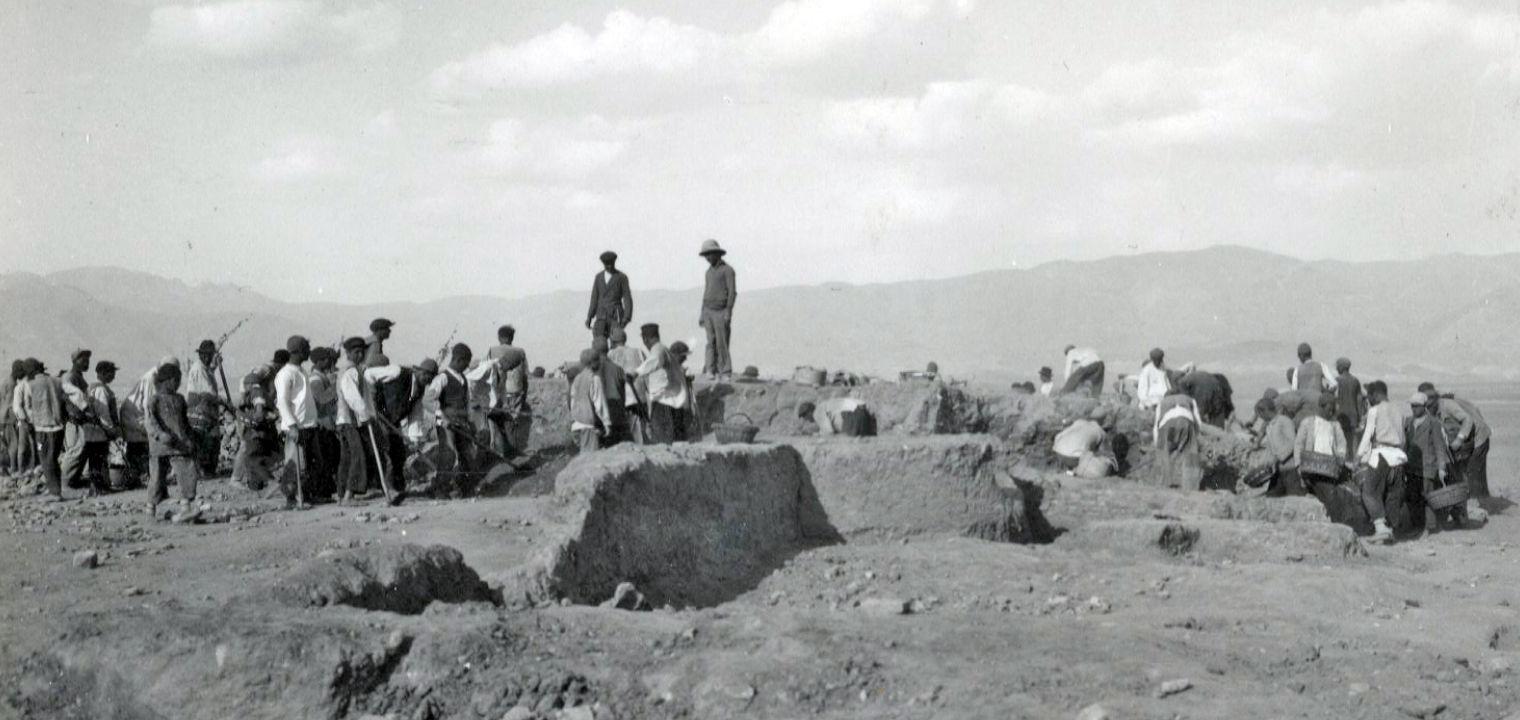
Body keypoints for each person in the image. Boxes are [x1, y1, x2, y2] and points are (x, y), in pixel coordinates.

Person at [145, 363, 200, 521]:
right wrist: (160, 435)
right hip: (160, 446)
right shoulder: (154, 400)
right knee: (156, 478)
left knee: (187, 472)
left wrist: (190, 438)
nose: (179, 384)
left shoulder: (180, 399)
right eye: (177, 380)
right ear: (167, 380)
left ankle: (186, 507)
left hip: (179, 444)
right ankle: (151, 508)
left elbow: (184, 422)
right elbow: (150, 422)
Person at [1419, 382, 1492, 499]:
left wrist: (1459, 439)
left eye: (1431, 400)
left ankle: (1477, 503)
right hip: (1468, 440)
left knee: (1473, 472)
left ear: (1436, 397)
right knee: (1462, 471)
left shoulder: (1447, 405)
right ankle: (1479, 499)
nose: (1429, 405)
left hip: (1479, 437)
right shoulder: (1430, 410)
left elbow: (1467, 419)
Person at [274, 336, 323, 506]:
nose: (309, 351)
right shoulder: (285, 374)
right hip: (296, 427)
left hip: (309, 424)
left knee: (310, 464)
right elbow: (282, 402)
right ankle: (292, 498)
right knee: (295, 464)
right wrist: (293, 426)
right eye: (306, 348)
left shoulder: (301, 372)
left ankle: (307, 495)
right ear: (298, 351)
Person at [1405, 391, 1461, 533]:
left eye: (1416, 406)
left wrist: (1441, 468)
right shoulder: (1408, 422)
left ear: (1424, 406)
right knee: (1412, 496)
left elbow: (1439, 447)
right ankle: (1416, 525)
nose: (1414, 409)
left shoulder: (1434, 423)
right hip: (1412, 467)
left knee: (1429, 497)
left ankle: (1429, 527)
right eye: (1412, 406)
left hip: (1428, 466)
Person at [1355, 381, 1403, 543]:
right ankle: (1391, 530)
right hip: (1398, 456)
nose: (1367, 398)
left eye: (1369, 395)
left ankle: (1381, 528)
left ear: (1375, 394)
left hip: (1381, 456)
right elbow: (1402, 438)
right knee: (1391, 495)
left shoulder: (1374, 411)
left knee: (1369, 492)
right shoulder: (1398, 410)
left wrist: (1358, 457)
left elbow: (1367, 435)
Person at [334, 338, 377, 503]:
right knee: (357, 455)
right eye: (356, 352)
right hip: (350, 420)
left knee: (347, 457)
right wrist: (365, 415)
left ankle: (342, 493)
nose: (360, 355)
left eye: (362, 352)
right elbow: (353, 398)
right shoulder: (350, 372)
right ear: (348, 353)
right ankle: (349, 494)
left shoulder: (356, 371)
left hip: (347, 420)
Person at [632, 324, 691, 443]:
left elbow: (655, 361)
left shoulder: (658, 349)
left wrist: (636, 373)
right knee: (675, 437)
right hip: (671, 400)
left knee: (662, 438)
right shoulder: (664, 349)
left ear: (645, 339)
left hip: (663, 401)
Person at [486, 325, 532, 460]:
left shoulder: (492, 350)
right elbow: (525, 376)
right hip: (516, 391)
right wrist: (525, 394)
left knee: (497, 422)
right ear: (512, 337)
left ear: (499, 337)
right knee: (512, 422)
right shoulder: (520, 352)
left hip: (498, 392)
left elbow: (488, 372)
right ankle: (512, 452)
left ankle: (501, 452)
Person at [1295, 392, 1349, 505]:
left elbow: (1342, 444)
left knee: (1329, 495)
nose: (1331, 412)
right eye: (1329, 409)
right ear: (1321, 407)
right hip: (1310, 466)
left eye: (1333, 409)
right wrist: (1298, 464)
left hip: (1329, 468)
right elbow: (1299, 444)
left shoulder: (1335, 425)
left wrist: (1340, 458)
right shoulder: (1308, 423)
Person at [435, 343, 478, 486]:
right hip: (447, 425)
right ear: (459, 360)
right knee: (449, 454)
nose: (467, 366)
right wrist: (442, 417)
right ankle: (441, 489)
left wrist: (470, 422)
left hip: (462, 423)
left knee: (467, 454)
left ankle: (465, 488)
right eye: (466, 363)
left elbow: (467, 403)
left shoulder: (463, 379)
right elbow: (428, 400)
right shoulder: (442, 378)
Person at [185, 339, 228, 475]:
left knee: (209, 440)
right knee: (206, 440)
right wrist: (224, 402)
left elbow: (209, 373)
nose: (210, 358)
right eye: (209, 355)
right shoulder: (198, 369)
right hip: (200, 410)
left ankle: (207, 470)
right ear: (204, 355)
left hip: (205, 410)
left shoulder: (204, 368)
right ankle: (204, 471)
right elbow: (208, 393)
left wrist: (215, 365)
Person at [26, 360, 66, 499]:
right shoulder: (57, 381)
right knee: (53, 459)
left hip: (42, 429)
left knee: (45, 460)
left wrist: (30, 421)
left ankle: (55, 493)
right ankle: (54, 488)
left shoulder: (30, 385)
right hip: (58, 428)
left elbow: (27, 407)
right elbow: (71, 396)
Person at [699, 239, 737, 380]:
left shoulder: (728, 271)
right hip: (708, 310)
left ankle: (725, 371)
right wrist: (702, 313)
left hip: (721, 311)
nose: (708, 258)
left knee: (722, 342)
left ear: (717, 253)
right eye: (706, 255)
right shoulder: (708, 272)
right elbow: (706, 293)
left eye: (710, 254)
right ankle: (710, 369)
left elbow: (732, 293)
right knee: (710, 342)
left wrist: (728, 311)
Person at [58, 349, 97, 491]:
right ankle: (64, 483)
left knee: (80, 450)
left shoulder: (78, 376)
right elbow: (75, 396)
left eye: (88, 359)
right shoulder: (69, 377)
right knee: (75, 451)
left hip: (80, 420)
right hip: (73, 420)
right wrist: (87, 409)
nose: (87, 362)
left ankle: (72, 481)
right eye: (83, 359)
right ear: (74, 361)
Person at [82, 361, 121, 494]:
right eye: (112, 373)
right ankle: (99, 488)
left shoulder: (93, 387)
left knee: (96, 459)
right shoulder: (100, 389)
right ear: (103, 373)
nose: (114, 376)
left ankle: (99, 487)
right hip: (98, 431)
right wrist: (111, 429)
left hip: (94, 430)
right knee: (98, 459)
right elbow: (103, 412)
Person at [1153, 389, 1204, 490]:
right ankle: (1191, 487)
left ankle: (1163, 484)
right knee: (1191, 453)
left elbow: (1156, 427)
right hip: (1186, 421)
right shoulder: (1190, 400)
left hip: (1168, 424)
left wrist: (1158, 446)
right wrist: (1194, 441)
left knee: (1163, 453)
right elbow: (1199, 423)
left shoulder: (1162, 402)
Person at [569, 349, 613, 453]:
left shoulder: (577, 379)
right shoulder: (594, 379)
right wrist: (607, 423)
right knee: (590, 461)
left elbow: (572, 401)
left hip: (576, 425)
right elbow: (599, 403)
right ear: (593, 363)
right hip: (588, 427)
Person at [585, 251, 633, 342]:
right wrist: (589, 317)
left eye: (611, 264)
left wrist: (626, 317)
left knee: (617, 341)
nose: (609, 266)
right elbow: (594, 298)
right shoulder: (598, 277)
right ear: (603, 264)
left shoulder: (622, 277)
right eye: (607, 264)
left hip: (616, 316)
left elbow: (627, 298)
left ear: (614, 262)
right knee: (599, 342)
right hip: (601, 316)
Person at [1261, 396, 1302, 496]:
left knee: (1294, 498)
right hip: (1278, 471)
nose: (1260, 418)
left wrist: (1279, 457)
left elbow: (1293, 442)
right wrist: (1265, 462)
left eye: (1260, 414)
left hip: (1291, 469)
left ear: (1265, 411)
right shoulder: (1269, 426)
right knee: (1271, 498)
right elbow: (1270, 448)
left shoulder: (1284, 421)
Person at [797, 398, 876, 437]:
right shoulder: (826, 405)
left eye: (805, 416)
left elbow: (829, 432)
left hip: (852, 415)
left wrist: (814, 435)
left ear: (809, 412)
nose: (806, 420)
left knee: (845, 443)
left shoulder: (817, 412)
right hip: (863, 413)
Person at [1333, 358, 1366, 451]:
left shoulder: (1336, 381)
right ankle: (1352, 459)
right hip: (1353, 415)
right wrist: (1359, 416)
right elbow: (1359, 400)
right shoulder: (1355, 380)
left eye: (1337, 366)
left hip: (1340, 415)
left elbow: (1334, 399)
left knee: (1340, 440)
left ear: (1341, 367)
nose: (1336, 368)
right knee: (1352, 441)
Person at [8, 360, 33, 475]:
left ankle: (31, 467)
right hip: (24, 421)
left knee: (35, 445)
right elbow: (17, 406)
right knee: (23, 446)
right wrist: (24, 420)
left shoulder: (30, 384)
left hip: (32, 420)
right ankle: (21, 469)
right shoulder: (19, 387)